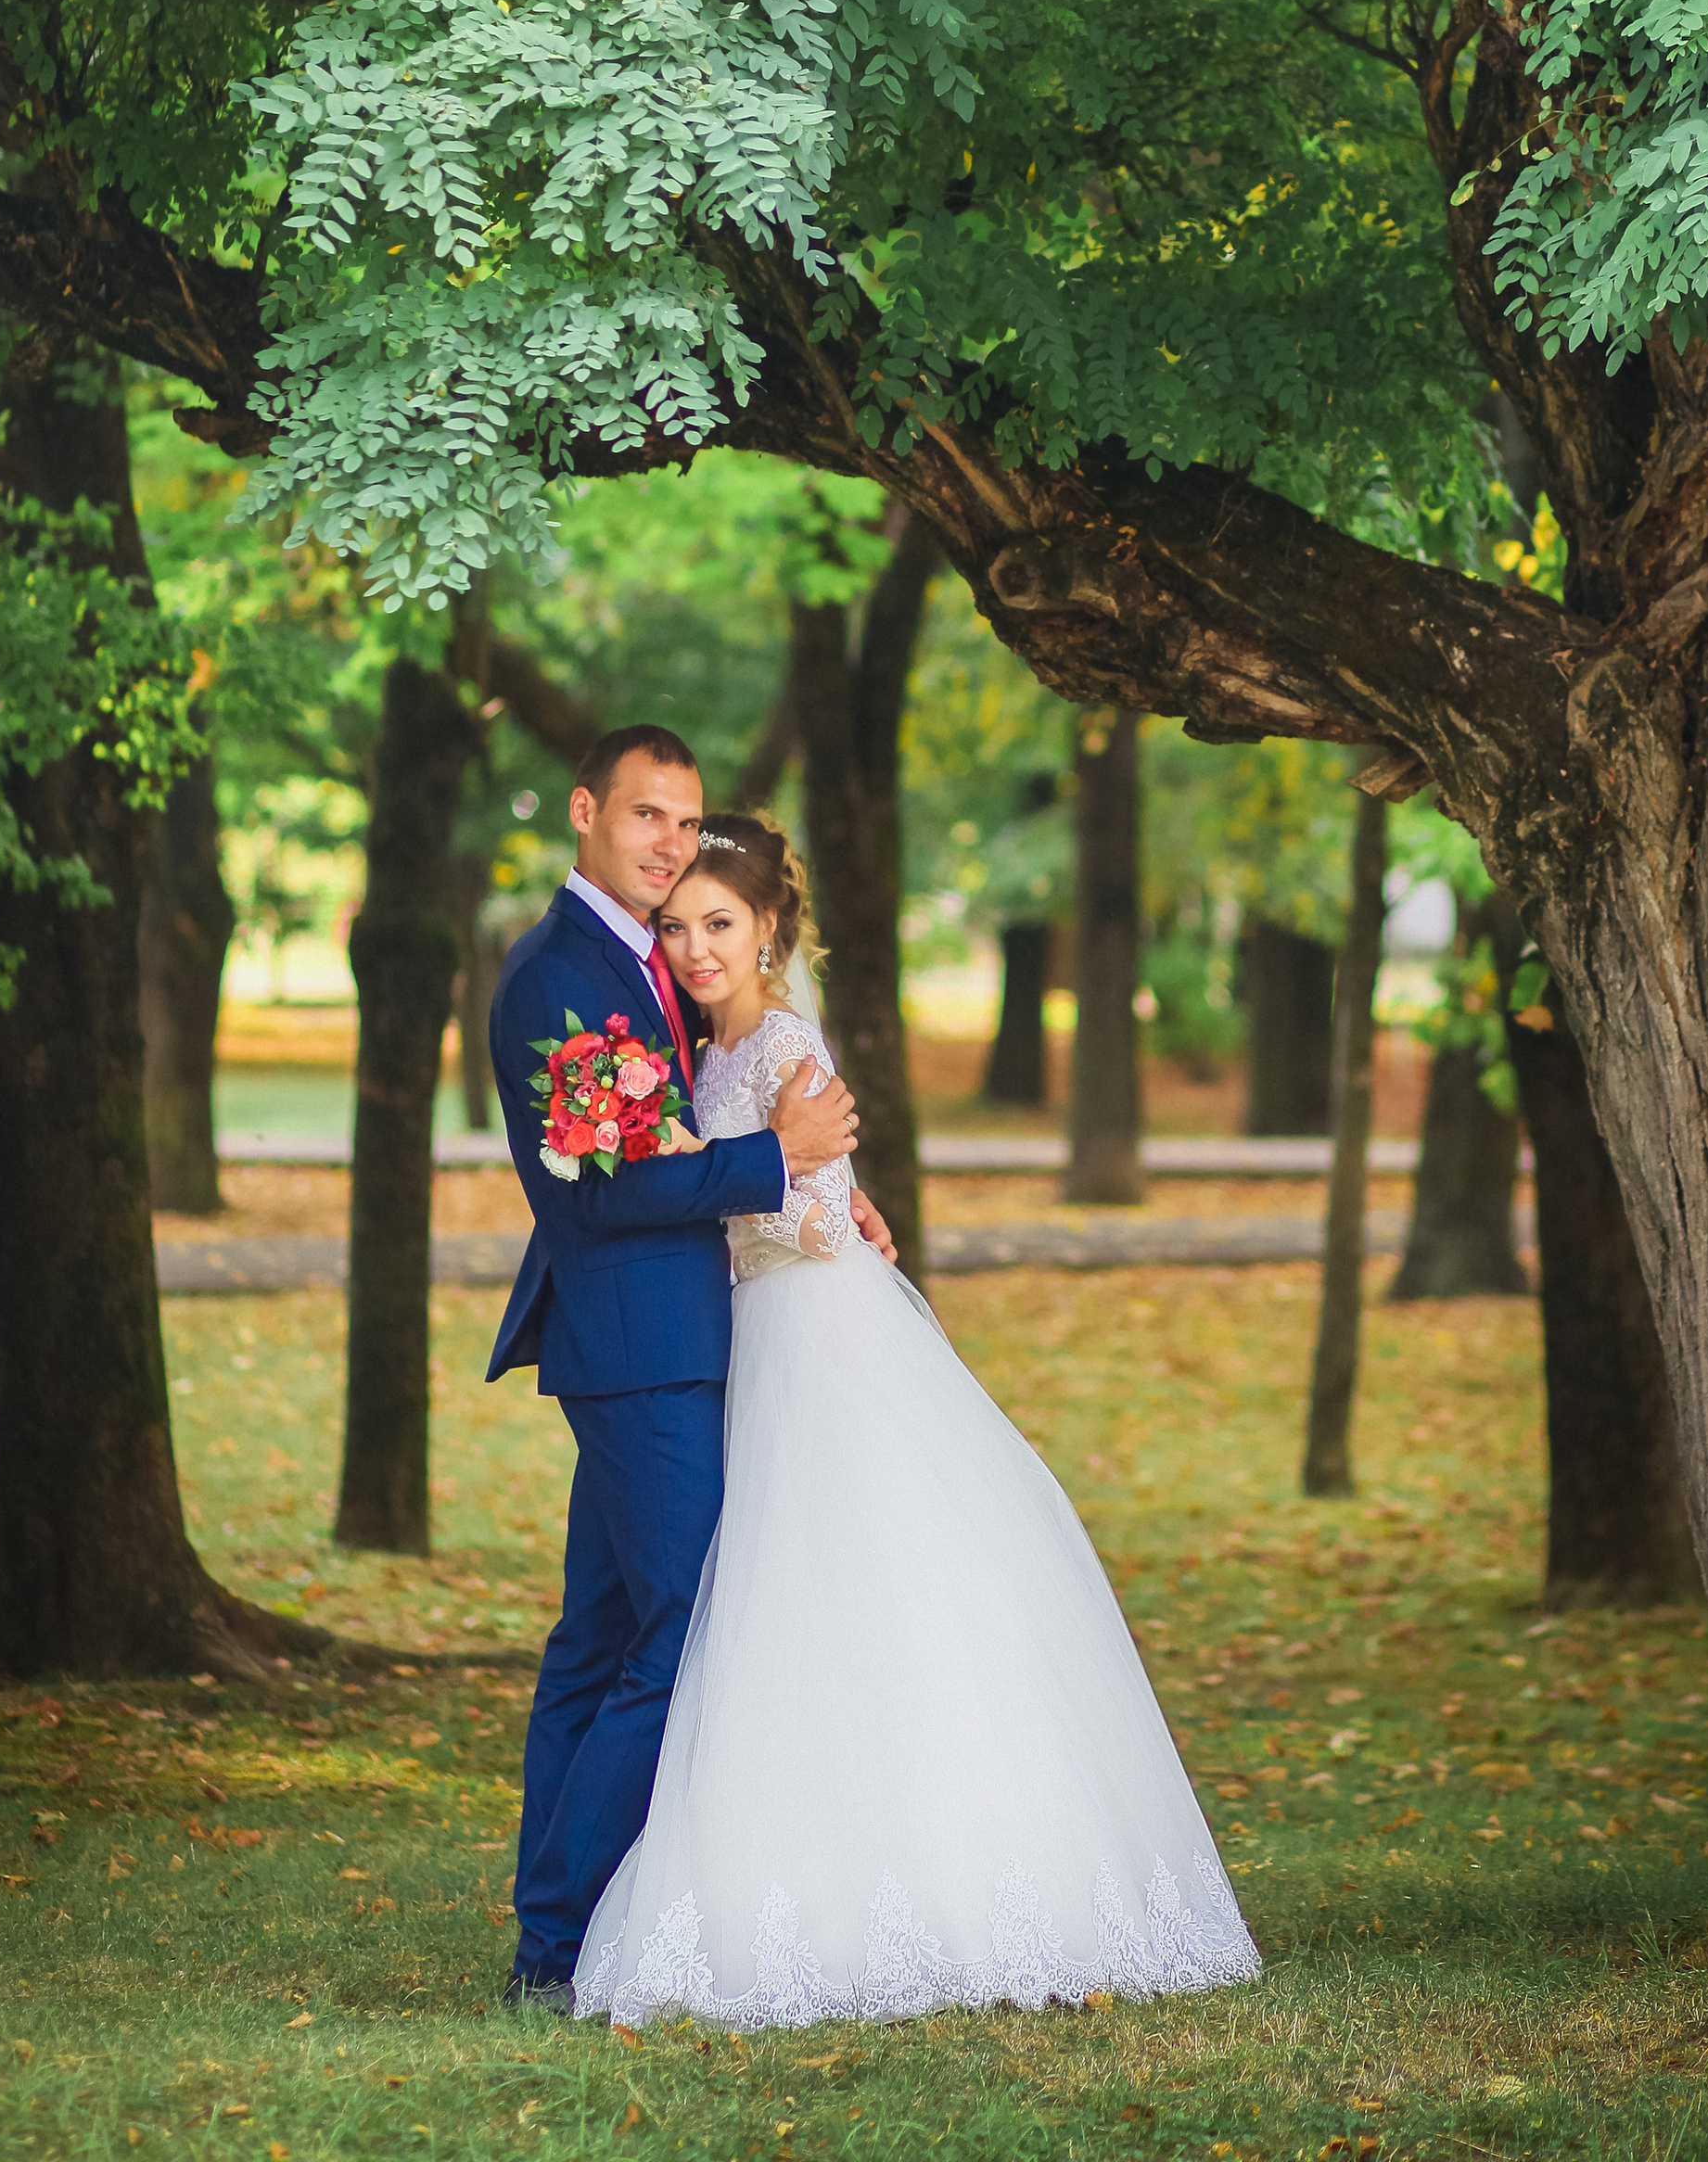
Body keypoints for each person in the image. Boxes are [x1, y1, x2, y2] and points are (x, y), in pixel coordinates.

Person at [574, 809, 1260, 2029]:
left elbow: (819, 1222)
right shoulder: (694, 1050)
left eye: (720, 925)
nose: (694, 950)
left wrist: (716, 1195)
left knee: (865, 1591)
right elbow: (801, 1182)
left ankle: (970, 1885)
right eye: (676, 929)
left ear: (772, 927)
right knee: (784, 1610)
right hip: (756, 1340)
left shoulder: (786, 1046)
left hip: (813, 1335)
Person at [486, 725, 890, 2006]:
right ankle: (557, 1943)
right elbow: (603, 1194)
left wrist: (830, 1194)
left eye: (685, 821)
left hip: (671, 1340)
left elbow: (694, 1119)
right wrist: (776, 1161)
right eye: (647, 817)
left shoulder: (648, 964)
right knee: (669, 1643)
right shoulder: (560, 975)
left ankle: (555, 1920)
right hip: (643, 1349)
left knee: (598, 1640)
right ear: (586, 811)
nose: (667, 844)